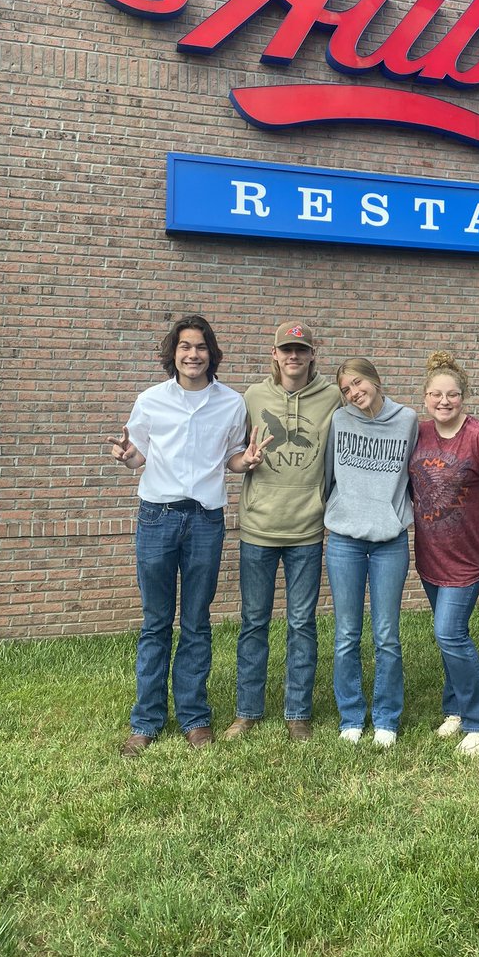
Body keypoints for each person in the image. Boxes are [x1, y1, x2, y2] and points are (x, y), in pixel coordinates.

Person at [108, 314, 256, 758]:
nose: (193, 354)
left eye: (201, 347)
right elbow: (140, 455)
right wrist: (130, 457)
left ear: (212, 354)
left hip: (206, 521)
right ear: (173, 354)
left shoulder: (231, 403)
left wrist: (244, 462)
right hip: (157, 517)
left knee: (196, 621)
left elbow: (231, 457)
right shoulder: (151, 400)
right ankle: (146, 720)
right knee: (156, 622)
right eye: (185, 347)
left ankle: (194, 717)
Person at [223, 320, 341, 743]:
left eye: (301, 350)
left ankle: (298, 714)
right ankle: (247, 712)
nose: (294, 356)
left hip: (307, 529)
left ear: (312, 355)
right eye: (286, 350)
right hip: (258, 527)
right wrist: (244, 461)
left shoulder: (332, 397)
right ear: (274, 354)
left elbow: (368, 410)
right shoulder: (253, 397)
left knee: (301, 624)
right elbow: (233, 455)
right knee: (253, 622)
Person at [408, 351, 479, 756]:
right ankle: (454, 709)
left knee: (449, 633)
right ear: (424, 397)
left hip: (471, 556)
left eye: (452, 394)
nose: (444, 401)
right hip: (431, 555)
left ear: (464, 396)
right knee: (448, 635)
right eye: (435, 394)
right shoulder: (417, 434)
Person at [324, 358, 418, 747]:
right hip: (344, 539)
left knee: (386, 635)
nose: (353, 393)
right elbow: (328, 474)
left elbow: (416, 473)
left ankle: (386, 717)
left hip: (389, 542)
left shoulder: (408, 420)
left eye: (358, 383)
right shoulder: (339, 421)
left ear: (377, 381)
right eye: (346, 389)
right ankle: (350, 715)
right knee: (346, 633)